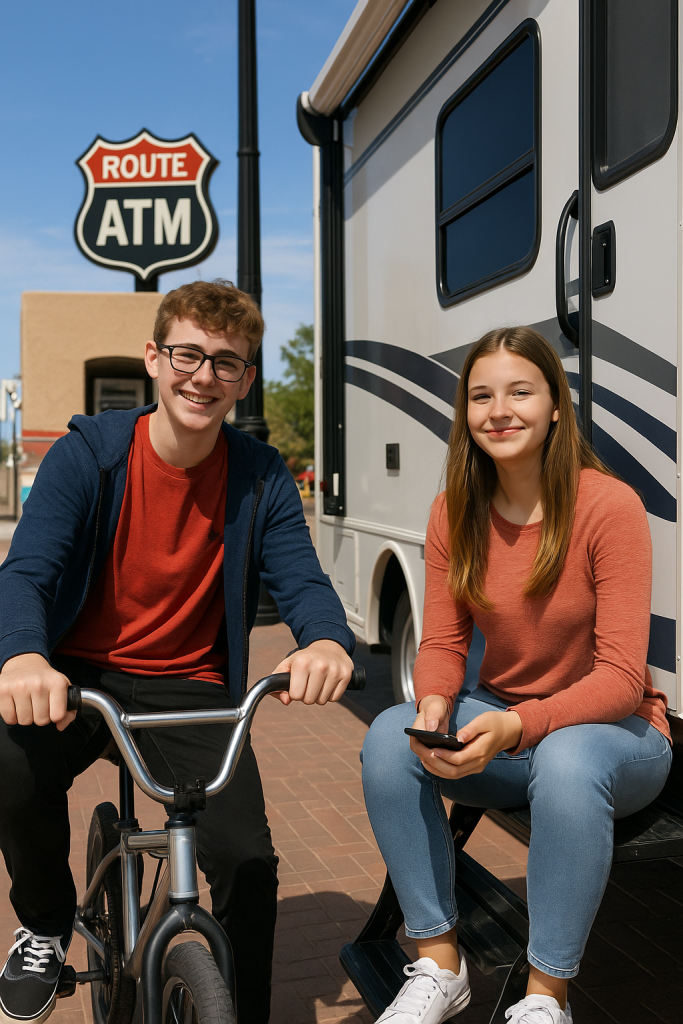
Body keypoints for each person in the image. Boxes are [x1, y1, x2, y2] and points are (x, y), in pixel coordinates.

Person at [0, 280, 355, 1024]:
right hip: (79, 677)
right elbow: (27, 570)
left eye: (226, 363)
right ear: (155, 358)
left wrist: (324, 639)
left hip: (190, 688)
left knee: (248, 864)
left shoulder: (260, 476)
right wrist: (23, 657)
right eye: (188, 354)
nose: (204, 376)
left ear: (245, 379)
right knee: (8, 764)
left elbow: (301, 578)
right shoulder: (87, 455)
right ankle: (41, 921)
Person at [361, 326, 672, 1024]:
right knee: (389, 734)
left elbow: (622, 676)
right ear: (464, 413)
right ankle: (439, 963)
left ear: (555, 405)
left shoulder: (606, 505)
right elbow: (441, 641)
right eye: (480, 396)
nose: (498, 410)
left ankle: (544, 997)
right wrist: (436, 703)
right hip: (511, 733)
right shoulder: (453, 511)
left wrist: (514, 726)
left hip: (616, 737)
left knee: (562, 759)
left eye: (519, 392)